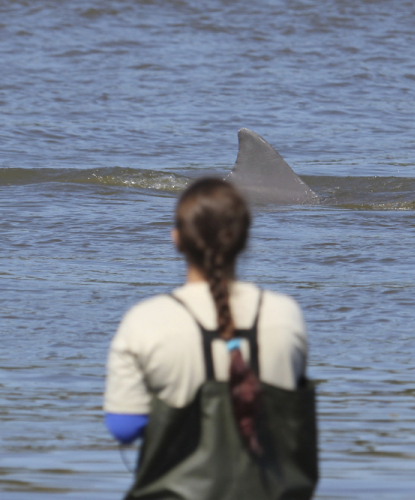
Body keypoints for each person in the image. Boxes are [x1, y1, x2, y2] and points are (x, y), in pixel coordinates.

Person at [104, 178, 318, 500]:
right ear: (245, 239)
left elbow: (123, 427)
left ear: (177, 239)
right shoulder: (285, 315)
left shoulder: (146, 320)